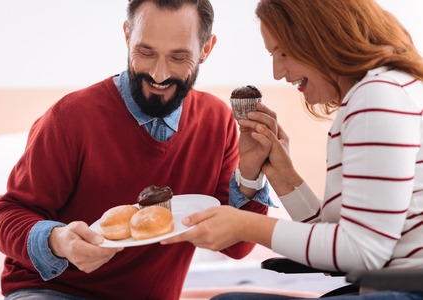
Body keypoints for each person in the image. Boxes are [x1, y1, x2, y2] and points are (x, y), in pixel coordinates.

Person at [0, 0, 272, 299]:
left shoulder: (218, 122)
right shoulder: (69, 118)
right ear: (127, 36)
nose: (159, 75)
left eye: (178, 57)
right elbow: (8, 215)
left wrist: (252, 173)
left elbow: (238, 247)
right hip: (52, 291)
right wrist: (59, 240)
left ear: (206, 49)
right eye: (145, 52)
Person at [162, 0, 423, 299]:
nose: (277, 73)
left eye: (283, 52)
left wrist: (246, 225)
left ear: (325, 37)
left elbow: (360, 251)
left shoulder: (377, 98)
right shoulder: (391, 89)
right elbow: (339, 243)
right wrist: (283, 175)